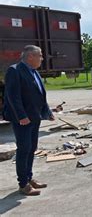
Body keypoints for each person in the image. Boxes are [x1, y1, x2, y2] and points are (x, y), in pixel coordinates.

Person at [3, 45, 54, 196]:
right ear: (30, 56)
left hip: (35, 117)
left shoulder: (35, 72)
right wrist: (21, 116)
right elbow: (13, 96)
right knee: (24, 149)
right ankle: (23, 184)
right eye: (40, 55)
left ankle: (29, 177)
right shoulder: (15, 71)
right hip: (23, 120)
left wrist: (47, 111)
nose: (42, 58)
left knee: (31, 148)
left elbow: (40, 95)